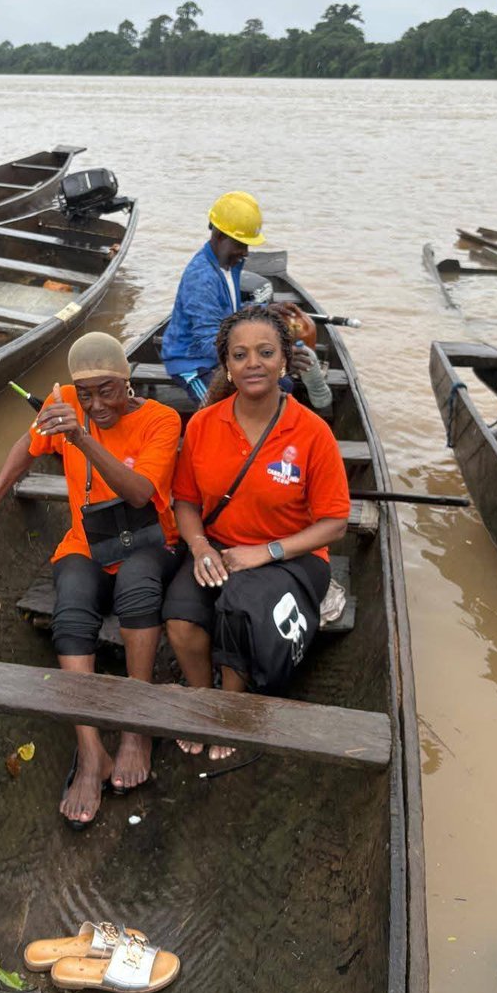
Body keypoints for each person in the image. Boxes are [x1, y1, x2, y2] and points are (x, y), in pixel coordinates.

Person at [0, 333, 182, 828]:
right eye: (85, 394)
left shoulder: (162, 419)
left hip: (149, 541)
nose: (96, 404)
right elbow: (26, 446)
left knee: (137, 589)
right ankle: (90, 750)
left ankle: (136, 729)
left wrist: (81, 435)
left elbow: (139, 494)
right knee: (70, 610)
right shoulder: (63, 402)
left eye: (107, 391)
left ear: (127, 381)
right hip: (88, 542)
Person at [162, 304, 350, 758]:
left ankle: (231, 709)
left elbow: (335, 523)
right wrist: (199, 546)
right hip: (219, 548)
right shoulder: (204, 424)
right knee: (180, 618)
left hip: (293, 558)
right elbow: (185, 501)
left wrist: (266, 552)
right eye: (240, 354)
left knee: (239, 609)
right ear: (226, 364)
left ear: (284, 360)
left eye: (265, 352)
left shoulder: (312, 432)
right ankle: (203, 698)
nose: (253, 364)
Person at [161, 191, 266, 402]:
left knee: (280, 386)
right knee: (219, 408)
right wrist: (255, 354)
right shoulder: (202, 278)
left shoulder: (230, 264)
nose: (245, 252)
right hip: (194, 362)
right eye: (240, 244)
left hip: (220, 352)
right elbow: (208, 342)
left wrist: (264, 313)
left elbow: (228, 311)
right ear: (219, 237)